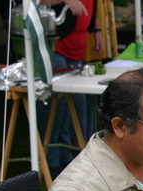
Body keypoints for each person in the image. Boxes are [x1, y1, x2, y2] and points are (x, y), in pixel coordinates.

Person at [37, 0, 103, 178]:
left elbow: (90, 9)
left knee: (67, 106)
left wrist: (97, 31)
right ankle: (51, 161)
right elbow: (35, 2)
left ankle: (65, 158)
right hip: (56, 47)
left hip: (76, 51)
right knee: (55, 106)